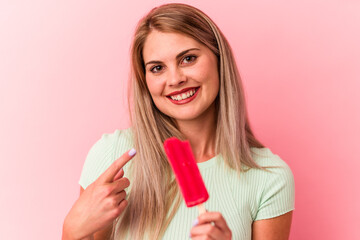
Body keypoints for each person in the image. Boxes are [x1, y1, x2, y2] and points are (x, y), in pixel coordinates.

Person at [62, 3, 295, 240]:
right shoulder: (112, 157)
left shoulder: (270, 178)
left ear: (218, 59)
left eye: (188, 59)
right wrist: (71, 230)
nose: (174, 79)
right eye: (157, 68)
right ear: (145, 81)